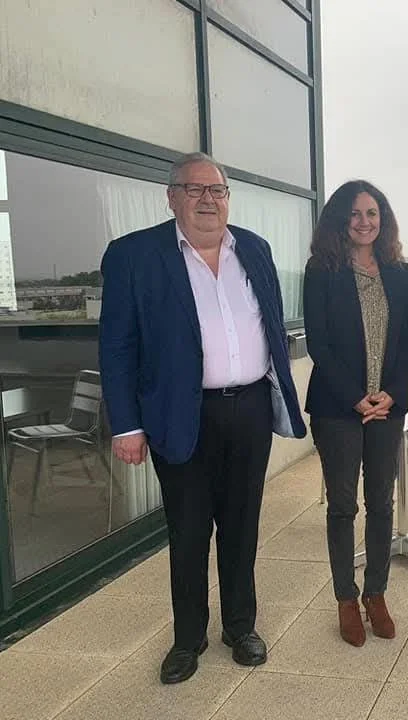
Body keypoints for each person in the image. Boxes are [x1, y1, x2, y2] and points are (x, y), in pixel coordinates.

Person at [99, 152, 306, 684]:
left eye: (217, 190)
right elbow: (117, 346)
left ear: (227, 198)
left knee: (241, 526)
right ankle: (187, 638)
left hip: (251, 410)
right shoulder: (134, 256)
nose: (207, 199)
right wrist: (126, 423)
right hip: (180, 415)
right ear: (171, 197)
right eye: (194, 189)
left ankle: (241, 627)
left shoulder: (255, 250)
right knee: (189, 531)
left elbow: (271, 326)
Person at [303, 180, 408, 647]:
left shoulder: (399, 272)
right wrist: (356, 397)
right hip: (338, 408)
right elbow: (319, 344)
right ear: (339, 220)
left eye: (372, 213)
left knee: (382, 503)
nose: (364, 222)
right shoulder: (321, 269)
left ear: (382, 219)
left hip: (387, 407)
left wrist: (390, 392)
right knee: (343, 505)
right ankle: (346, 598)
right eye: (355, 214)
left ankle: (376, 593)